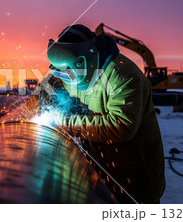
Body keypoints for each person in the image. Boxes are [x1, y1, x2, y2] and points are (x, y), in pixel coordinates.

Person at [42, 24, 165, 204]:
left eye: (70, 73)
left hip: (135, 177)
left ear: (86, 60)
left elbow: (122, 127)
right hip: (100, 171)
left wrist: (66, 121)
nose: (65, 77)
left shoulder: (122, 75)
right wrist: (38, 105)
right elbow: (44, 89)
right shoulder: (65, 68)